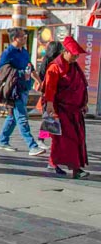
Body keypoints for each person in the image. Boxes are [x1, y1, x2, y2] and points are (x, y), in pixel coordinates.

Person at [41, 36, 90, 179]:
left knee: (69, 138)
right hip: (60, 109)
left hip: (75, 110)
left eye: (77, 55)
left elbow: (81, 85)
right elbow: (49, 88)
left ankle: (53, 162)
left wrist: (84, 103)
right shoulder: (55, 67)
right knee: (66, 138)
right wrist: (50, 105)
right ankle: (75, 169)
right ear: (65, 52)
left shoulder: (74, 66)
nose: (76, 57)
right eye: (73, 54)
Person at [0, 28, 47, 157]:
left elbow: (30, 67)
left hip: (25, 87)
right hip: (14, 90)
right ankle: (32, 145)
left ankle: (3, 140)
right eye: (23, 37)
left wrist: (39, 81)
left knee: (13, 117)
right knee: (22, 117)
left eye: (25, 36)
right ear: (15, 38)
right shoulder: (8, 53)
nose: (25, 39)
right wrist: (16, 74)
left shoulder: (24, 51)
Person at [35, 41, 63, 147]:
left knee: (51, 118)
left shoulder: (52, 60)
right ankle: (41, 139)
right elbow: (42, 76)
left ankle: (50, 140)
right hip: (48, 92)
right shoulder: (50, 61)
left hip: (53, 92)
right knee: (48, 118)